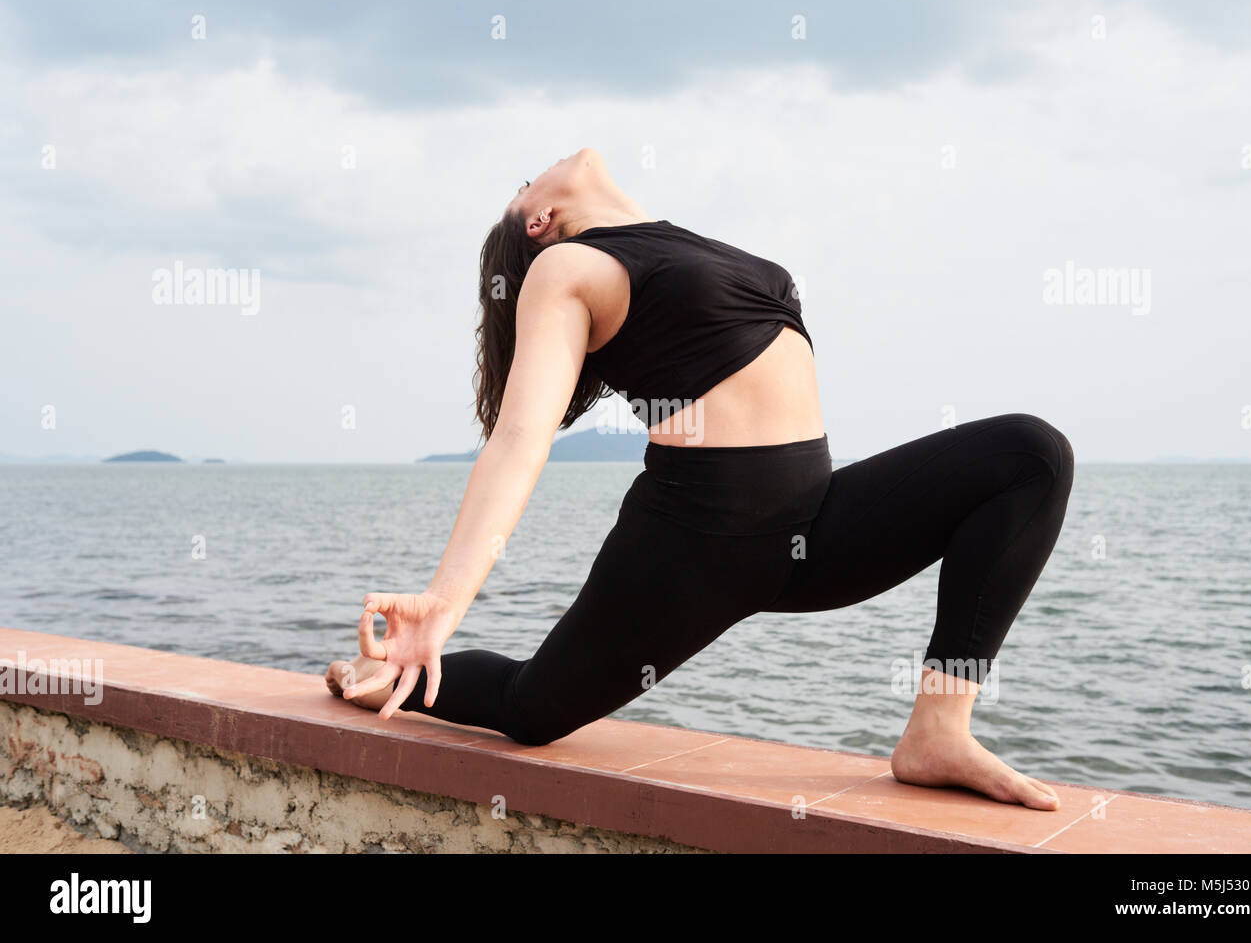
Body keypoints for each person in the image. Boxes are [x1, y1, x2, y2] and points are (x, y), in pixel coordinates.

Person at [325, 148, 1074, 810]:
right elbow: (520, 437)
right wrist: (443, 603)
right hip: (696, 539)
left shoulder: (681, 242)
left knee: (1029, 458)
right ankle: (392, 668)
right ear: (540, 220)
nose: (543, 164)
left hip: (810, 522)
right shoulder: (566, 267)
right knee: (533, 707)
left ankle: (938, 729)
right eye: (527, 181)